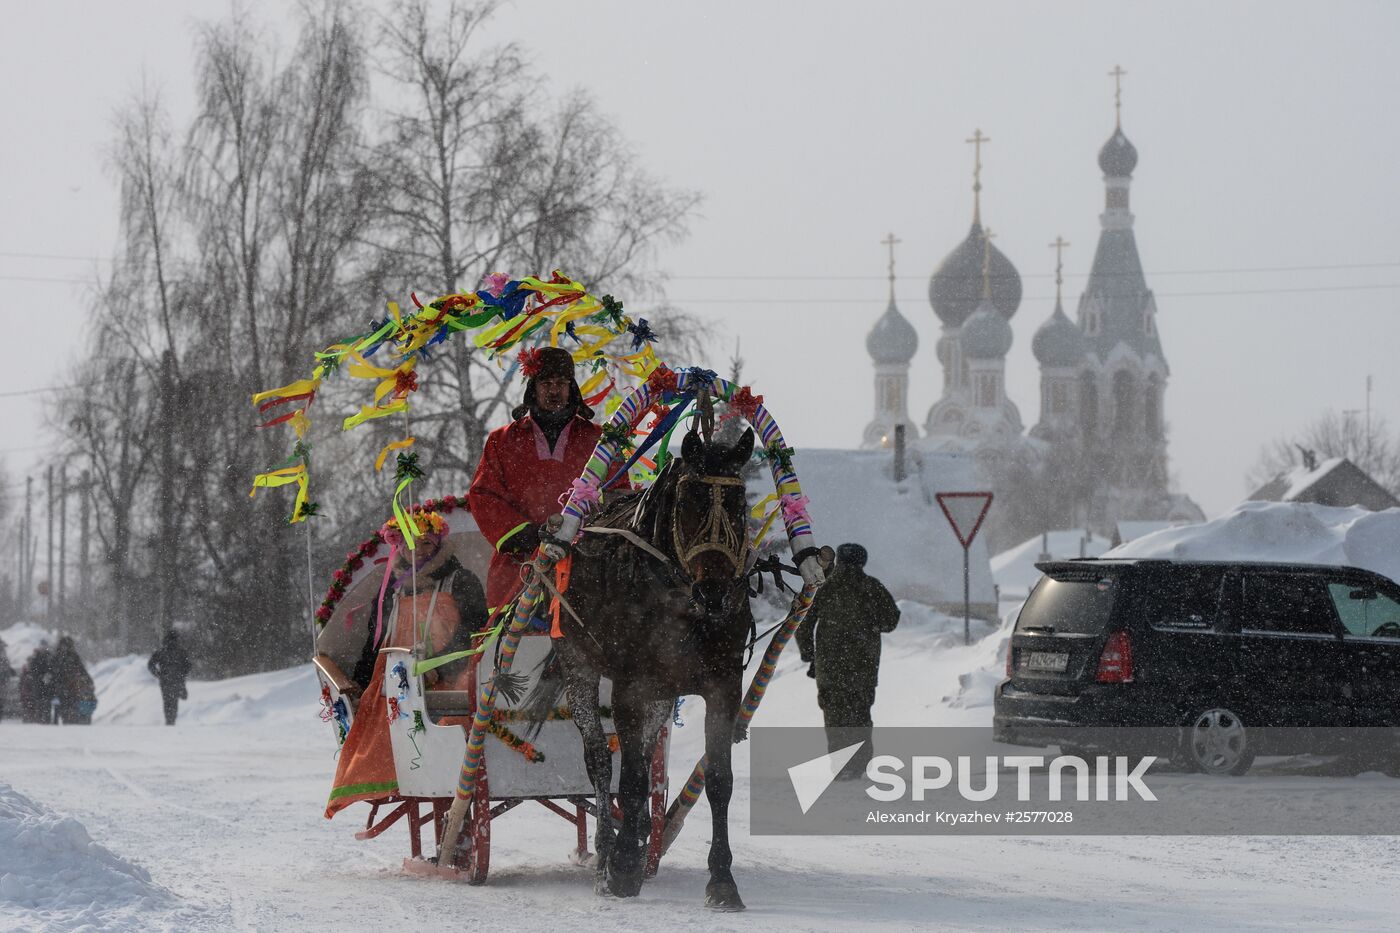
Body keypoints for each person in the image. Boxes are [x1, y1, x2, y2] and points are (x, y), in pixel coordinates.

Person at [468, 346, 603, 612]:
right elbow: (483, 495)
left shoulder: (598, 440)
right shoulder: (502, 441)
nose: (554, 391)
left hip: (585, 568)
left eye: (562, 383)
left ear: (571, 388)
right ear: (533, 388)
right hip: (518, 565)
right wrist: (525, 535)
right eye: (546, 383)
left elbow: (618, 496)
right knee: (512, 648)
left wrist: (585, 537)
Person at [795, 542, 901, 779]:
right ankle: (859, 764)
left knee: (834, 716)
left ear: (839, 561)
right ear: (863, 561)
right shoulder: (872, 587)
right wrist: (871, 624)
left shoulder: (823, 586)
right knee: (860, 714)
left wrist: (808, 654)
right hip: (864, 668)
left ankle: (841, 765)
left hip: (829, 667)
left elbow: (802, 622)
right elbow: (891, 621)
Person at [51, 636, 97, 725]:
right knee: (65, 709)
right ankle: (68, 722)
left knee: (69, 709)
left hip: (70, 689)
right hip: (63, 689)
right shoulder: (59, 657)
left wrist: (88, 681)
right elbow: (55, 673)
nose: (67, 648)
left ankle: (70, 721)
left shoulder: (73, 656)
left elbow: (82, 670)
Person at [148, 630, 191, 726]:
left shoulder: (161, 651)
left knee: (167, 701)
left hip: (165, 681)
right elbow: (188, 665)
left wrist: (158, 674)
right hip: (177, 680)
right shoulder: (181, 651)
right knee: (174, 701)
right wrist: (182, 674)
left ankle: (169, 720)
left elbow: (151, 665)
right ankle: (172, 720)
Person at [19, 640, 54, 723]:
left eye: (45, 646)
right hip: (38, 684)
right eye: (42, 646)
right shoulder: (36, 657)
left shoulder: (50, 657)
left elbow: (54, 669)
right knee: (39, 702)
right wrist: (41, 677)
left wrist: (49, 675)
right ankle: (40, 719)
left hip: (48, 684)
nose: (43, 647)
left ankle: (46, 720)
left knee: (47, 703)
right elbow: (33, 670)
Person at [0, 637, 15, 721]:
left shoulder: (4, 654)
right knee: (2, 699)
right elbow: (5, 665)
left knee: (2, 699)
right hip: (3, 679)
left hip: (3, 679)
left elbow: (5, 665)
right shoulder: (3, 654)